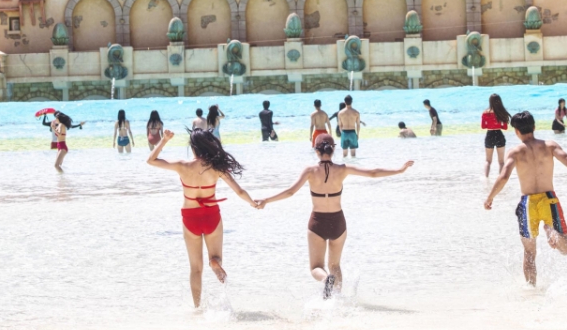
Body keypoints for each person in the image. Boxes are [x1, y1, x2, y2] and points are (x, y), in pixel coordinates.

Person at [259, 133, 412, 298]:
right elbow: (373, 173)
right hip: (338, 222)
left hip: (317, 223)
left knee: (316, 267)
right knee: (335, 265)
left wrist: (266, 200)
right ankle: (337, 300)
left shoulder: (310, 171)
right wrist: (399, 170)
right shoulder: (342, 169)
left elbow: (290, 192)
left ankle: (326, 279)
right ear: (333, 150)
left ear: (316, 150)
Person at [147, 128, 258, 308]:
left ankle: (197, 307)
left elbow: (151, 160)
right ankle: (215, 262)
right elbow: (239, 191)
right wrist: (253, 202)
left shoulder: (182, 165)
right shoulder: (216, 167)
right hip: (211, 216)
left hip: (190, 218)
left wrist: (164, 140)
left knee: (196, 269)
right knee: (216, 256)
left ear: (193, 147)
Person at [484, 111, 567, 286]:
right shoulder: (549, 146)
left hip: (527, 204)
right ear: (534, 127)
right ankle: (551, 232)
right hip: (549, 200)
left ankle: (531, 291)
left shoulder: (515, 152)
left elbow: (503, 177)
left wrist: (490, 197)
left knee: (529, 253)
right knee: (566, 249)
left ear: (516, 131)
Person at [482, 93, 511, 179]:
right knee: (501, 162)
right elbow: (505, 127)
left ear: (490, 101)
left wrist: (491, 125)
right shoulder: (502, 112)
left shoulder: (485, 113)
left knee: (488, 161)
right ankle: (501, 178)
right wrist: (498, 126)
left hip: (489, 135)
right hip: (499, 135)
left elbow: (483, 126)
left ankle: (486, 178)